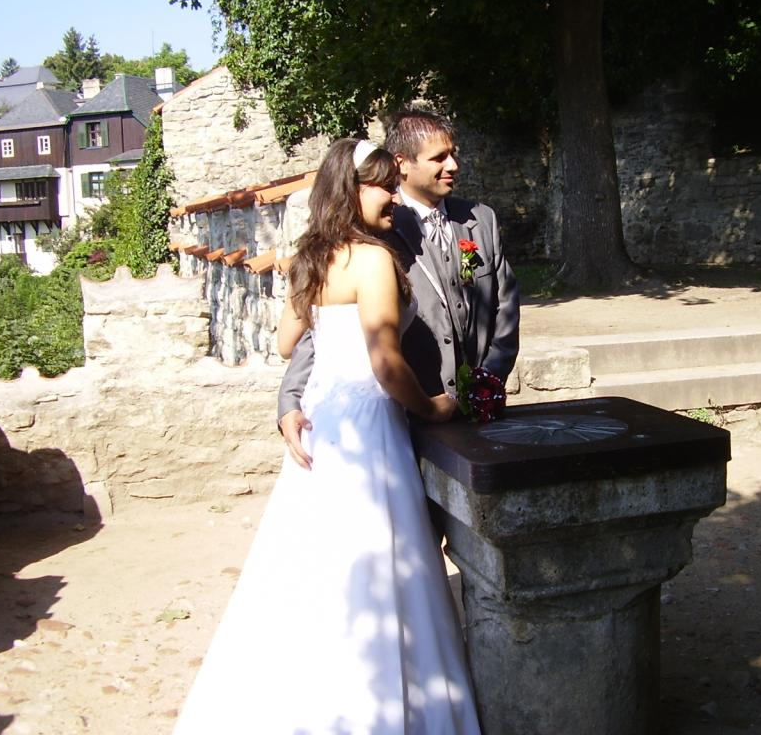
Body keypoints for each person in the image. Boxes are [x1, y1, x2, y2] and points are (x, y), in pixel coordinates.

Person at [174, 138, 482, 734]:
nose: (394, 197)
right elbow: (386, 365)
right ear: (351, 189)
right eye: (382, 186)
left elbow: (287, 342)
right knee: (382, 561)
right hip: (370, 426)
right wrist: (434, 408)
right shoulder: (372, 260)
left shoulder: (309, 259)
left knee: (314, 560)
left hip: (323, 421)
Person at [279, 109, 520, 469]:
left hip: (474, 414)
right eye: (439, 157)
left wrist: (485, 386)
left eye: (454, 154)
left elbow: (505, 307)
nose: (453, 165)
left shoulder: (481, 219)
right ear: (402, 163)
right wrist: (290, 400)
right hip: (405, 413)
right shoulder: (376, 229)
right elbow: (323, 330)